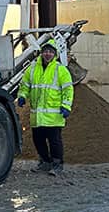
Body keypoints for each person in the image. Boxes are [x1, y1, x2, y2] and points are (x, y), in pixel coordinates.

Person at [17, 39, 74, 176]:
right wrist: (22, 96)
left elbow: (68, 90)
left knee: (55, 142)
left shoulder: (60, 70)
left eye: (50, 52)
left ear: (55, 54)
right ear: (41, 53)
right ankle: (45, 162)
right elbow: (25, 85)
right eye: (45, 51)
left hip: (54, 115)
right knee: (38, 140)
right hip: (37, 115)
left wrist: (66, 106)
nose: (47, 54)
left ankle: (57, 164)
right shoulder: (32, 69)